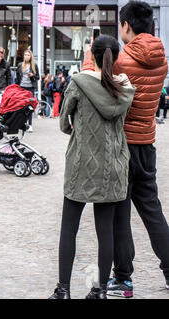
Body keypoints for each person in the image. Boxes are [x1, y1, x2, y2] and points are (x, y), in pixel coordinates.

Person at [81, 0, 169, 298]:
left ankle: (124, 279)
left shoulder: (121, 60)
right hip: (147, 144)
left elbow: (92, 85)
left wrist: (88, 59)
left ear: (126, 26)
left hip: (121, 146)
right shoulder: (161, 59)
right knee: (152, 210)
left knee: (120, 214)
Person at [49, 35, 136, 299]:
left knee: (69, 228)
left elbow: (64, 123)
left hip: (81, 165)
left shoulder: (78, 83)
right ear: (116, 58)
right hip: (112, 165)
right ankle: (98, 291)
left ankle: (63, 290)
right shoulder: (124, 88)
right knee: (105, 231)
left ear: (93, 56)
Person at [15, 49, 39, 132]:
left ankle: (30, 125)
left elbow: (38, 77)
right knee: (21, 107)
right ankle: (22, 124)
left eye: (28, 55)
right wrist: (16, 88)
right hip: (21, 88)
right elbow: (17, 77)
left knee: (30, 107)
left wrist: (32, 75)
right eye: (25, 55)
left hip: (30, 88)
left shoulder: (34, 66)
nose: (26, 56)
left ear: (31, 56)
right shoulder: (20, 65)